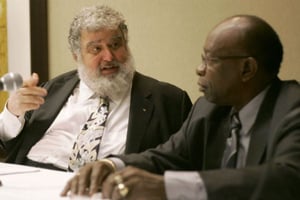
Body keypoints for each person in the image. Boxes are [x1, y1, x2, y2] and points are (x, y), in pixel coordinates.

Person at [61, 14, 300, 200]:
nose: (199, 69)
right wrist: (111, 165)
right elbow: (168, 156)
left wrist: (168, 187)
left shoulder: (293, 108)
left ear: (247, 69)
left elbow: (287, 179)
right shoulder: (208, 108)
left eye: (210, 60)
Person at [0, 5, 192, 172]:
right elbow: (6, 146)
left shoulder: (168, 100)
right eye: (96, 49)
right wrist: (12, 112)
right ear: (77, 56)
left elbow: (184, 164)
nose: (109, 56)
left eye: (116, 44)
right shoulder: (51, 90)